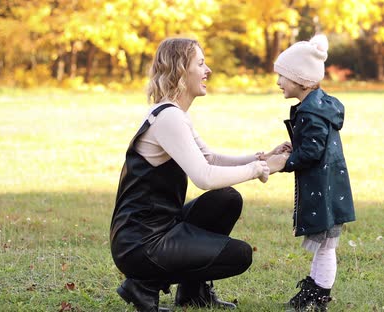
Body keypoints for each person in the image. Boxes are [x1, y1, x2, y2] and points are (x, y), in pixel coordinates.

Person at [110, 37, 289, 312]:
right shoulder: (168, 117)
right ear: (181, 69)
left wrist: (261, 158)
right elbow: (203, 176)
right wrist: (257, 171)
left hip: (158, 229)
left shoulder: (174, 113)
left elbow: (210, 158)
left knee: (226, 199)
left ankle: (193, 293)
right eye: (201, 63)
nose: (208, 71)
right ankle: (142, 285)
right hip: (141, 242)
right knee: (238, 255)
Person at [271, 34, 356, 311]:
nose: (278, 82)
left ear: (302, 80)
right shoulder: (317, 107)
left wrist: (285, 162)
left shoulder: (311, 113)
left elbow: (311, 152)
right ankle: (316, 287)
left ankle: (319, 293)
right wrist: (292, 147)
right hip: (328, 186)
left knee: (326, 245)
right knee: (324, 245)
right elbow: (310, 144)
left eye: (283, 76)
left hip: (324, 190)